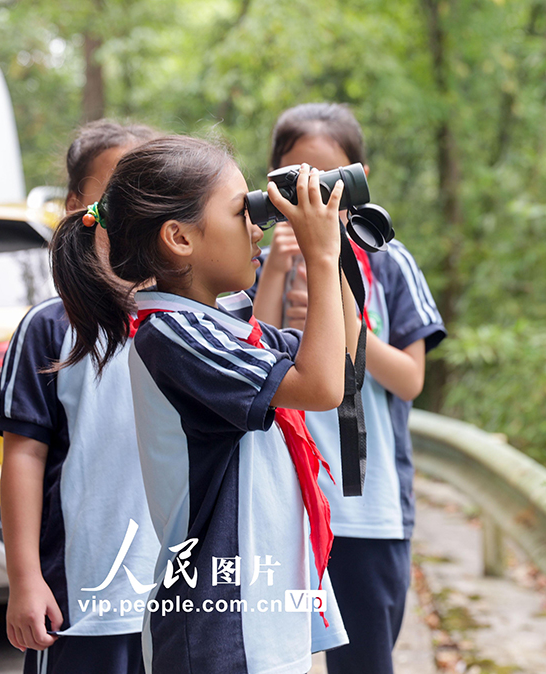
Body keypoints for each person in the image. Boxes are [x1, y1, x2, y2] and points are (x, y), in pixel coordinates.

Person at [47, 135, 356, 674]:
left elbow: (342, 360)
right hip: (220, 634)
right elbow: (321, 386)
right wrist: (319, 254)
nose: (258, 226)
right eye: (244, 211)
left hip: (258, 619)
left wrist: (335, 245)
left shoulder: (224, 330)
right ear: (179, 238)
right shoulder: (171, 335)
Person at [254, 103, 446, 674]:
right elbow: (244, 361)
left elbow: (410, 380)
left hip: (367, 510)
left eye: (327, 182)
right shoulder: (254, 260)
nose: (311, 198)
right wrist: (272, 277)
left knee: (364, 664)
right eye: (296, 183)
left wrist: (344, 319)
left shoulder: (387, 260)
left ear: (356, 183)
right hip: (277, 505)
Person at [0, 120, 159, 674]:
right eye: (119, 194)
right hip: (78, 601)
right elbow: (25, 453)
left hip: (181, 603)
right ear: (76, 207)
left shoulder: (196, 322)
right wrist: (25, 578)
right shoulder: (48, 326)